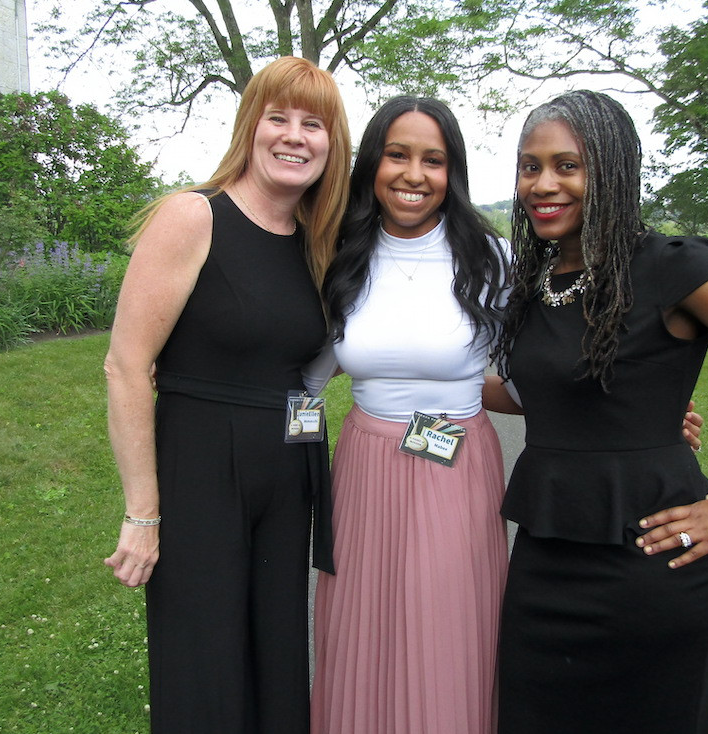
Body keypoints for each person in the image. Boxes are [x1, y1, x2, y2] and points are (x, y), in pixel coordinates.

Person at [487, 90, 708, 733]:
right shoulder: (537, 281)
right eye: (529, 166)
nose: (543, 184)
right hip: (547, 556)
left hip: (653, 561)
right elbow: (534, 391)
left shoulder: (669, 266)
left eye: (567, 166)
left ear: (613, 170)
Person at [101, 57, 351, 733]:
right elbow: (126, 366)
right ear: (251, 126)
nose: (295, 136)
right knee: (204, 663)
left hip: (286, 477)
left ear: (333, 144)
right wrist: (143, 513)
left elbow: (306, 373)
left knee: (276, 659)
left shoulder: (318, 244)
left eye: (314, 124)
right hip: (202, 469)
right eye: (279, 118)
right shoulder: (193, 217)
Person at [308, 96, 510, 734]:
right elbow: (305, 381)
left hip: (458, 468)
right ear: (373, 163)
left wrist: (641, 415)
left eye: (434, 160)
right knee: (363, 628)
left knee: (445, 629)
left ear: (454, 173)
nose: (414, 174)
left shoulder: (493, 260)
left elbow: (538, 376)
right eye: (398, 155)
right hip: (363, 470)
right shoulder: (337, 255)